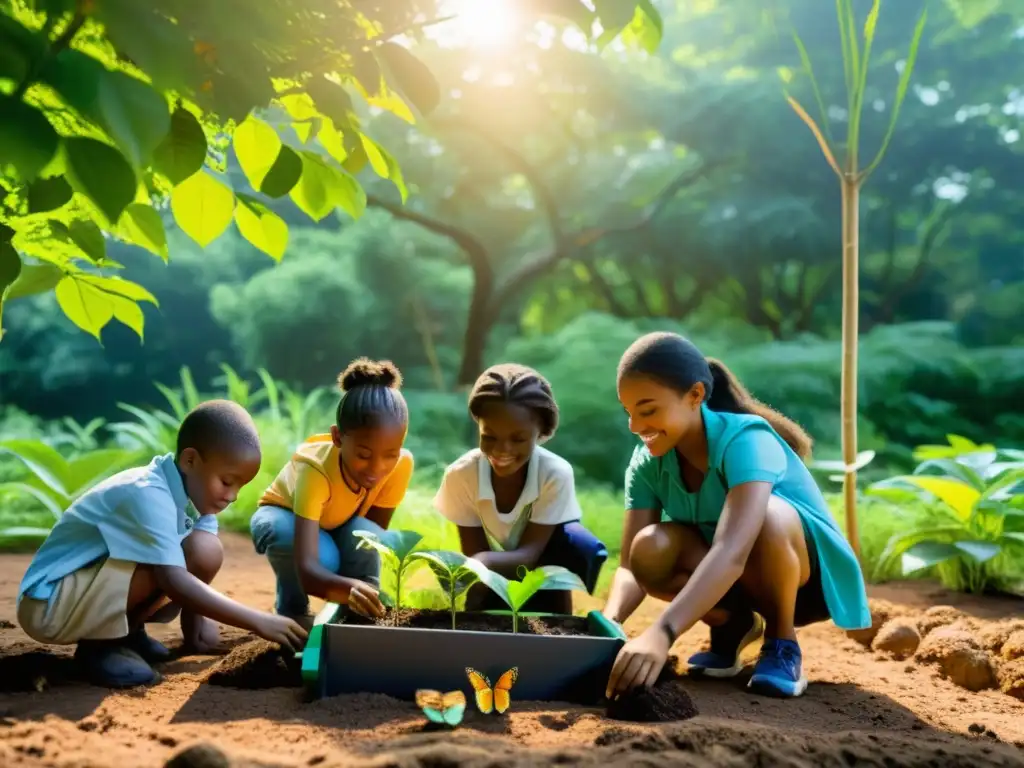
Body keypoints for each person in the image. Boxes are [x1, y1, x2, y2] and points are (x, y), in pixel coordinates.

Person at [603, 332, 870, 700]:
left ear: (695, 396)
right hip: (733, 573)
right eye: (628, 412)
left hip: (802, 584)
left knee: (768, 518)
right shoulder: (649, 459)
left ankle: (782, 643)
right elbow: (631, 567)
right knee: (649, 547)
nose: (635, 425)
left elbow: (732, 548)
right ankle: (732, 625)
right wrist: (609, 624)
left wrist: (662, 633)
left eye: (647, 410)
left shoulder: (746, 440)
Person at [16, 400, 309, 688]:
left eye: (240, 487)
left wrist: (194, 625)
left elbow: (197, 560)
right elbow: (172, 578)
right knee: (164, 563)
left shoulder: (193, 496)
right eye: (227, 481)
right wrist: (259, 621)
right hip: (50, 603)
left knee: (204, 548)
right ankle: (100, 646)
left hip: (86, 588)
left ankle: (128, 631)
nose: (232, 496)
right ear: (190, 460)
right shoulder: (147, 494)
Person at [250, 358, 413, 626]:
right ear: (337, 438)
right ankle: (292, 612)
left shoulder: (401, 465)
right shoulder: (315, 470)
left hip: (335, 523)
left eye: (390, 454)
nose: (377, 467)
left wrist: (364, 589)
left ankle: (354, 618)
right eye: (363, 454)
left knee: (367, 536)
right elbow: (309, 571)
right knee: (325, 559)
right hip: (284, 517)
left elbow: (370, 536)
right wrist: (347, 588)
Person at [433, 363, 607, 614]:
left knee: (575, 545)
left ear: (540, 433)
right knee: (482, 600)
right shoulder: (462, 475)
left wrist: (479, 563)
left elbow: (530, 555)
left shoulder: (553, 473)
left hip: (544, 564)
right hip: (496, 567)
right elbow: (474, 550)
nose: (502, 450)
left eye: (518, 439)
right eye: (489, 436)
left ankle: (558, 615)